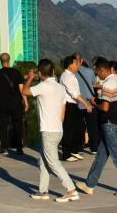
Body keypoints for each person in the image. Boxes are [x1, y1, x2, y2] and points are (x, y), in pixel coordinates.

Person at [75, 58, 117, 198]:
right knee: (101, 156)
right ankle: (90, 184)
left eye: (97, 72)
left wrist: (93, 103)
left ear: (102, 70)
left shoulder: (108, 84)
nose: (97, 76)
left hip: (109, 123)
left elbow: (105, 107)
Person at [22, 60, 78, 203]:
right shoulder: (60, 87)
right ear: (53, 71)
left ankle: (71, 190)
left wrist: (30, 78)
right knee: (43, 160)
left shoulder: (43, 86)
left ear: (40, 73)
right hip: (58, 129)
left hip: (48, 130)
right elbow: (63, 111)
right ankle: (43, 191)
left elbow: (25, 91)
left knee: (53, 162)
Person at [0, 52, 25, 155]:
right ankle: (19, 148)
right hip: (16, 102)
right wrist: (25, 101)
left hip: (2, 102)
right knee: (18, 124)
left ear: (0, 61)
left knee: (3, 125)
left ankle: (4, 148)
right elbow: (21, 89)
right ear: (9, 60)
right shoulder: (16, 72)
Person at [59, 54, 92, 161]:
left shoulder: (72, 75)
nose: (77, 65)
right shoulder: (66, 76)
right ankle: (66, 154)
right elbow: (74, 94)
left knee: (80, 127)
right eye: (75, 63)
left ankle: (74, 150)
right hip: (68, 105)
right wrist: (86, 104)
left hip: (74, 105)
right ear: (70, 65)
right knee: (68, 130)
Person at [75, 53, 99, 155]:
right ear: (81, 60)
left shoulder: (72, 73)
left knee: (79, 127)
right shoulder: (90, 71)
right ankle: (94, 149)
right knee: (92, 127)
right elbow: (94, 85)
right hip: (90, 103)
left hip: (77, 104)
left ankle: (79, 148)